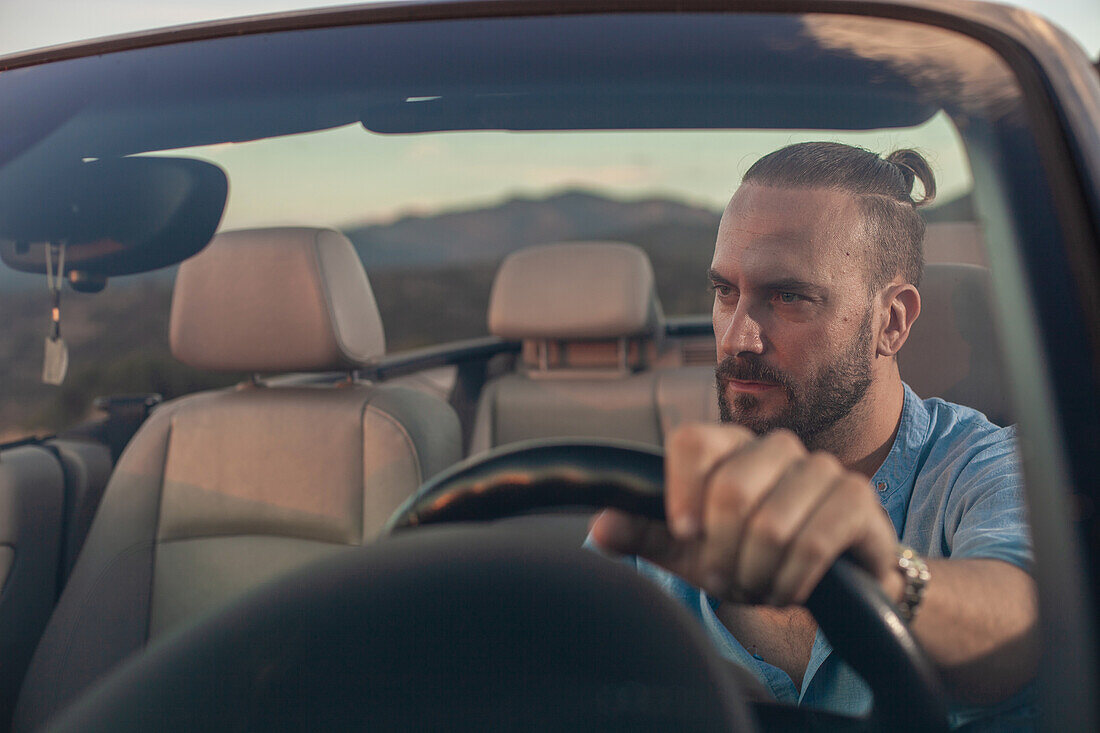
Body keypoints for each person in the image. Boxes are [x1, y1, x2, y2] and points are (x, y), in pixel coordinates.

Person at [589, 142, 1038, 727]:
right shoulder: (658, 517)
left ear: (892, 321)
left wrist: (886, 580)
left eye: (790, 297)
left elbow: (1028, 618)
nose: (738, 338)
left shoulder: (984, 468)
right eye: (726, 291)